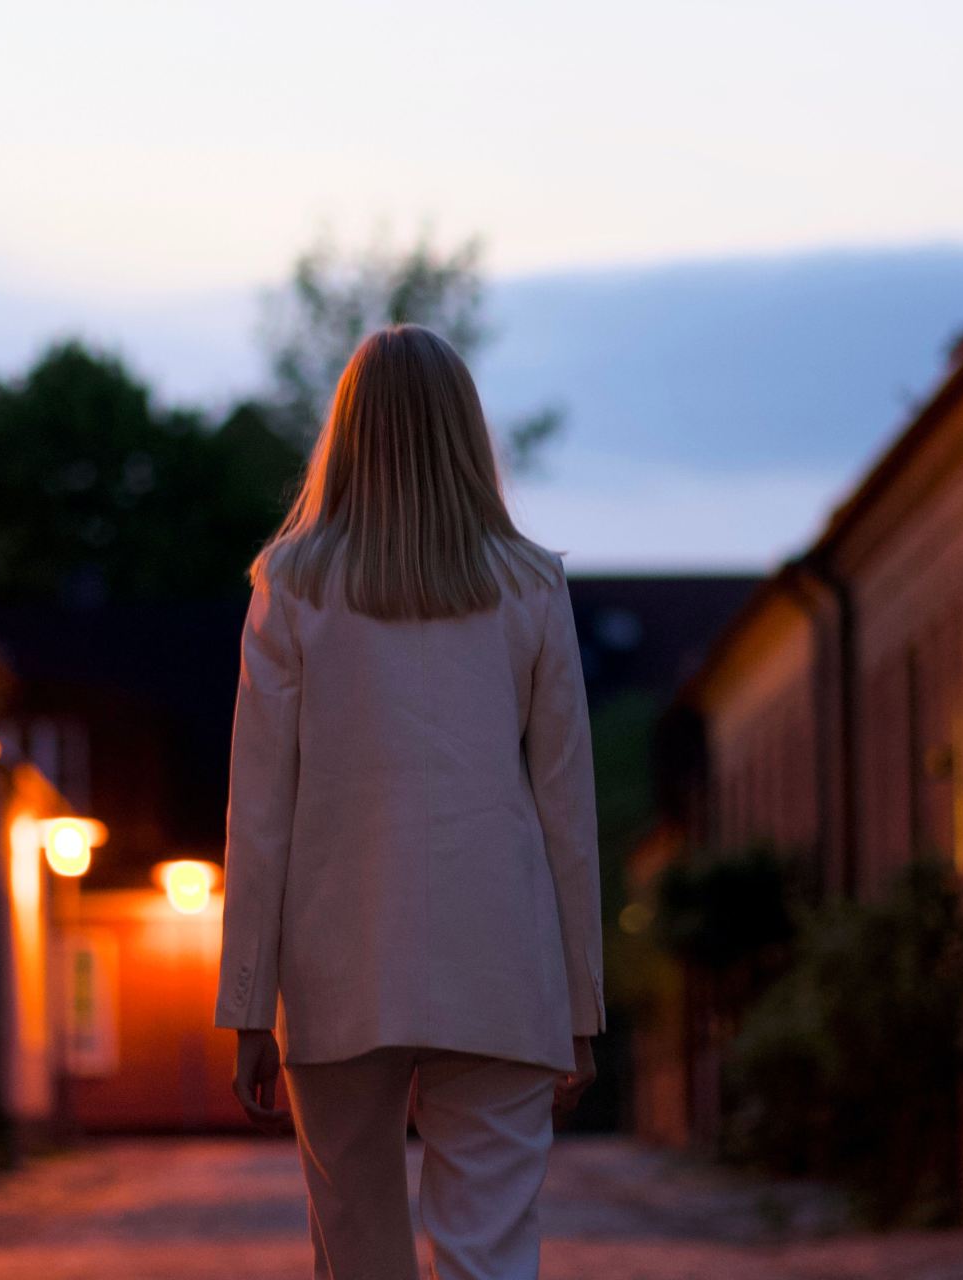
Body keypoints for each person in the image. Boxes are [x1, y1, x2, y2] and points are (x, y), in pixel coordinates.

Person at [214, 323, 605, 1280]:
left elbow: (259, 811)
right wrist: (581, 1007)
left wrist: (249, 1005)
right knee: (491, 1254)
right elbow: (567, 811)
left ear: (345, 433)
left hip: (337, 965)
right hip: (502, 965)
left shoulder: (291, 587)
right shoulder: (532, 586)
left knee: (358, 1257)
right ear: (465, 434)